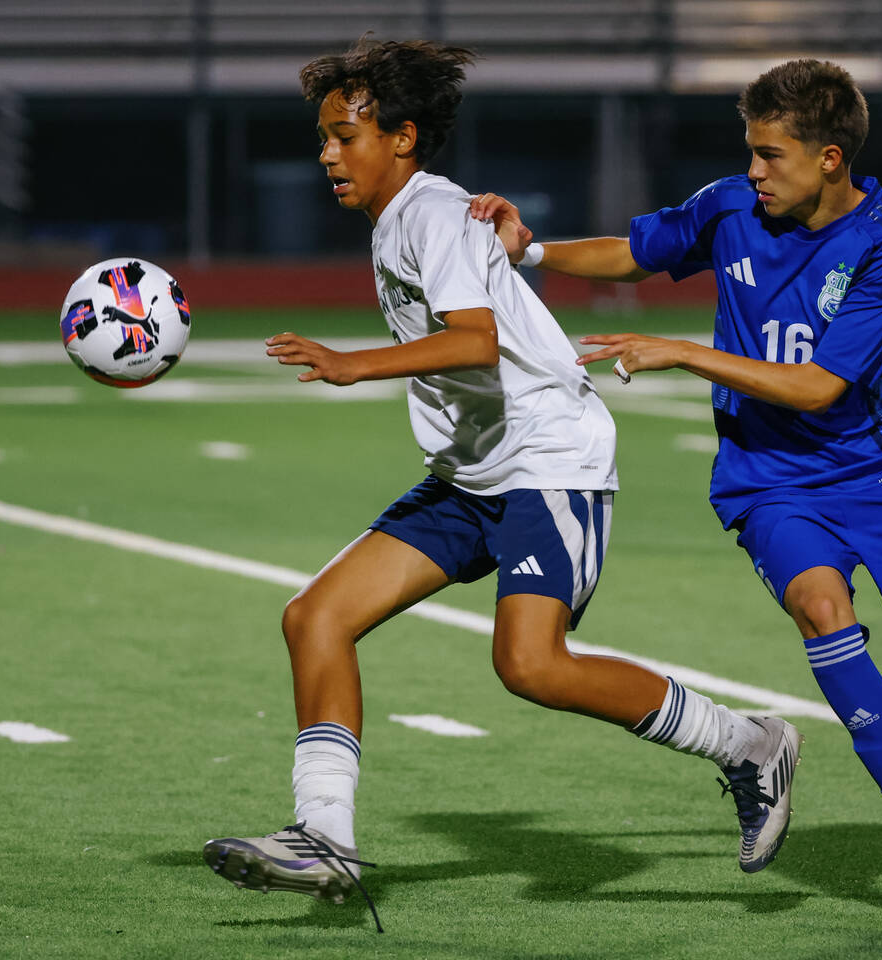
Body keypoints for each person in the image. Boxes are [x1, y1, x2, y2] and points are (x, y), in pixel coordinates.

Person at [469, 58, 882, 912]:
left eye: (771, 155)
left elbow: (823, 387)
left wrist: (683, 350)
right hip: (768, 481)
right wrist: (535, 251)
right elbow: (639, 252)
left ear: (830, 158)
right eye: (750, 151)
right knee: (824, 611)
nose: (754, 171)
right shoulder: (731, 206)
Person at [201, 39, 803, 925]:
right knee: (315, 617)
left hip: (550, 462)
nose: (327, 152)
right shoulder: (402, 217)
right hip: (475, 471)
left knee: (530, 664)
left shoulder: (430, 215)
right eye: (323, 136)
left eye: (344, 134)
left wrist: (351, 364)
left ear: (402, 138)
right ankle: (322, 836)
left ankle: (750, 745)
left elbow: (475, 341)